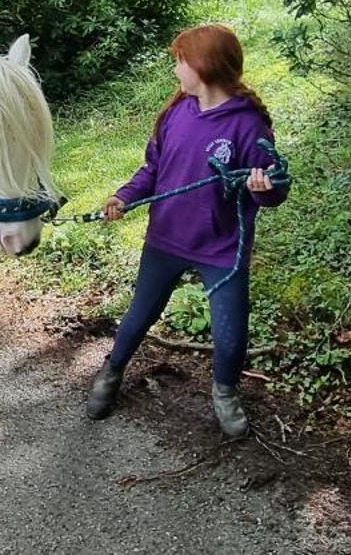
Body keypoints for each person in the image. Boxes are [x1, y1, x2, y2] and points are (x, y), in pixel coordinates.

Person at [84, 23, 289, 437]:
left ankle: (225, 394)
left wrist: (264, 189)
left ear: (204, 66)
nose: (175, 69)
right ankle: (111, 372)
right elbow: (152, 169)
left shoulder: (248, 126)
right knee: (139, 315)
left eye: (180, 61)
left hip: (223, 250)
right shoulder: (177, 112)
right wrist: (123, 197)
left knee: (231, 335)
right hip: (167, 239)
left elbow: (272, 191)